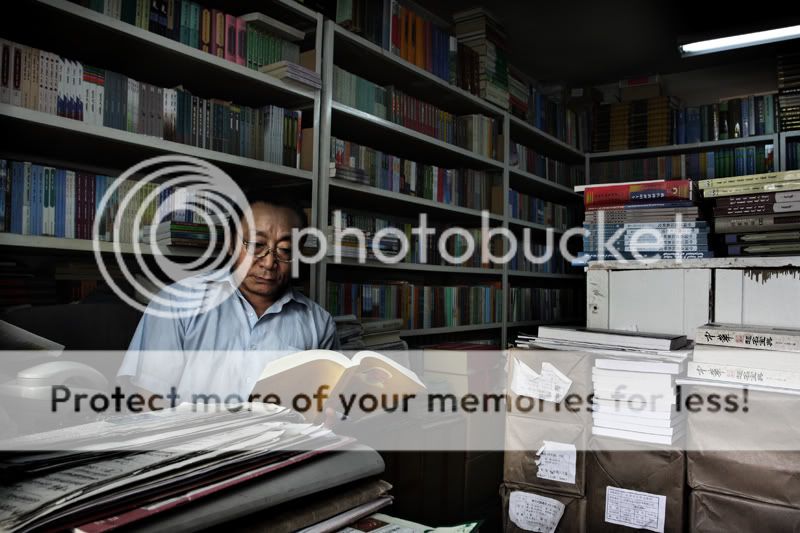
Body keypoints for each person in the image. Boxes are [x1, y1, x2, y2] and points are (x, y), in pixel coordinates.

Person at [117, 189, 338, 404]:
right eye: (256, 245)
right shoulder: (177, 304)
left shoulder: (318, 323)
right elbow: (148, 403)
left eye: (286, 250)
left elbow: (324, 405)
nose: (269, 263)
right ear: (231, 244)